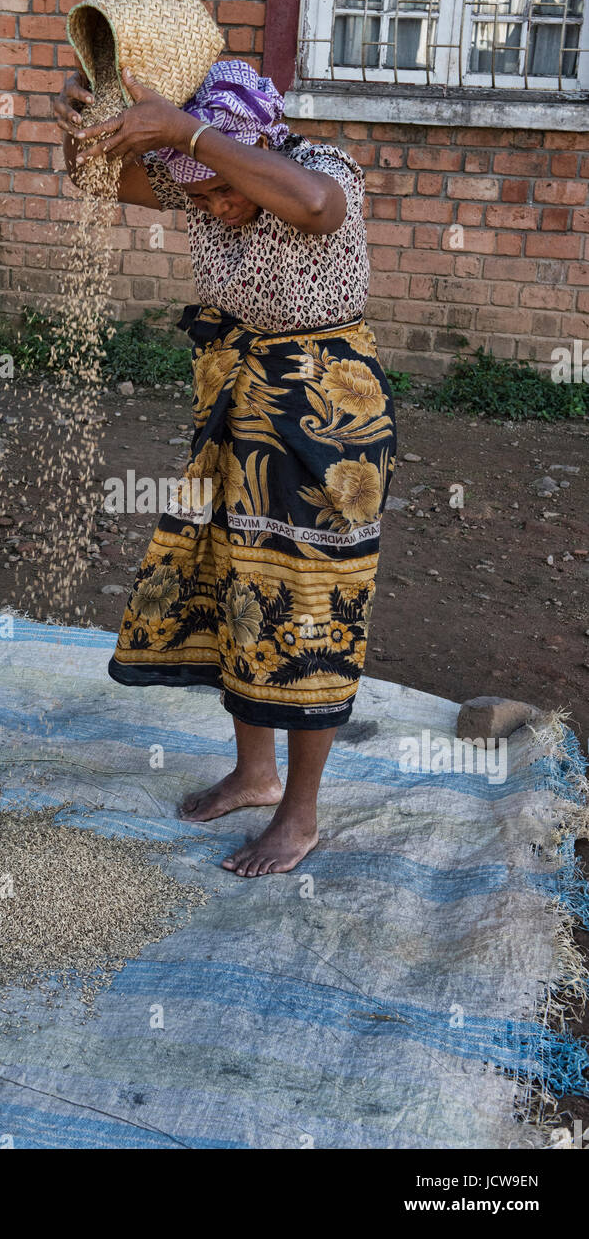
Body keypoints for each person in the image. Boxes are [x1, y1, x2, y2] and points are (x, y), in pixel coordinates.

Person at [54, 57, 396, 878]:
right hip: (237, 402)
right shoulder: (207, 179)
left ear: (252, 138)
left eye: (216, 190)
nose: (209, 206)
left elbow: (316, 209)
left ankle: (300, 815)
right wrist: (86, 122)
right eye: (198, 194)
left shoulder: (316, 168)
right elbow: (97, 179)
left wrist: (185, 132)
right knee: (239, 581)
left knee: (307, 600)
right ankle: (254, 771)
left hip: (324, 415)